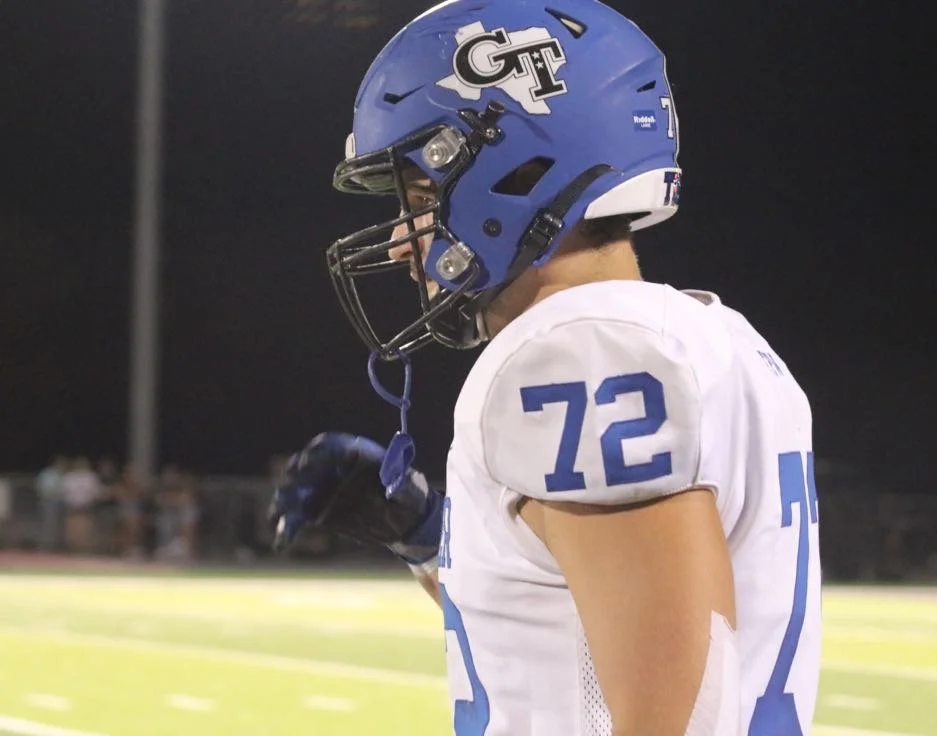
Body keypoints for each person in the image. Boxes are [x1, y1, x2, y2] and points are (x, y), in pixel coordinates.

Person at [270, 1, 822, 735]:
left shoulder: (581, 354)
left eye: (422, 195)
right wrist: (427, 537)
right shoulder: (710, 336)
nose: (402, 239)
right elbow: (577, 642)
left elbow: (678, 719)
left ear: (518, 172)